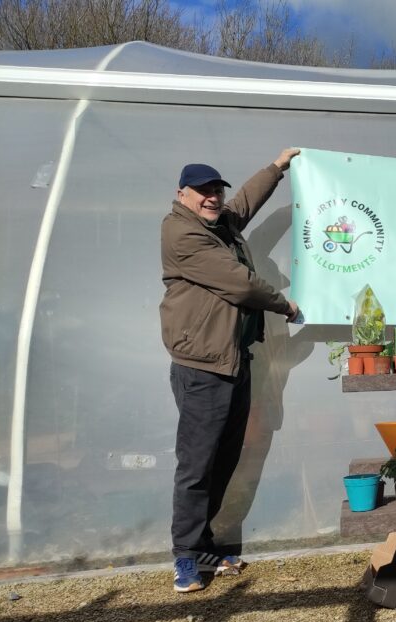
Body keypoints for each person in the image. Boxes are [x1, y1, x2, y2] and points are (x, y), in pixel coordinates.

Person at [160, 149, 301, 592]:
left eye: (215, 190)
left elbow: (242, 204)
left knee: (224, 459)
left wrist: (277, 169)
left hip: (233, 361)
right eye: (202, 191)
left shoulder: (217, 223)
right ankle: (186, 556)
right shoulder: (182, 234)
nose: (212, 197)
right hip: (202, 367)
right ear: (181, 194)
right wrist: (285, 304)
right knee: (197, 464)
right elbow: (239, 282)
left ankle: (207, 547)